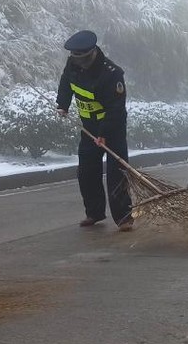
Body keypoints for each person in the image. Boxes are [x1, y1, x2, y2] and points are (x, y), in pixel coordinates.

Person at [55, 29, 133, 231]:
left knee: (117, 173)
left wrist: (104, 134)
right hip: (88, 127)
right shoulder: (73, 64)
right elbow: (66, 83)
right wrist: (62, 104)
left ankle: (124, 217)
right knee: (87, 171)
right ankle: (94, 212)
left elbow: (116, 109)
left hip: (111, 129)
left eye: (82, 59)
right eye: (75, 58)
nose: (78, 62)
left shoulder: (111, 73)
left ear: (92, 53)